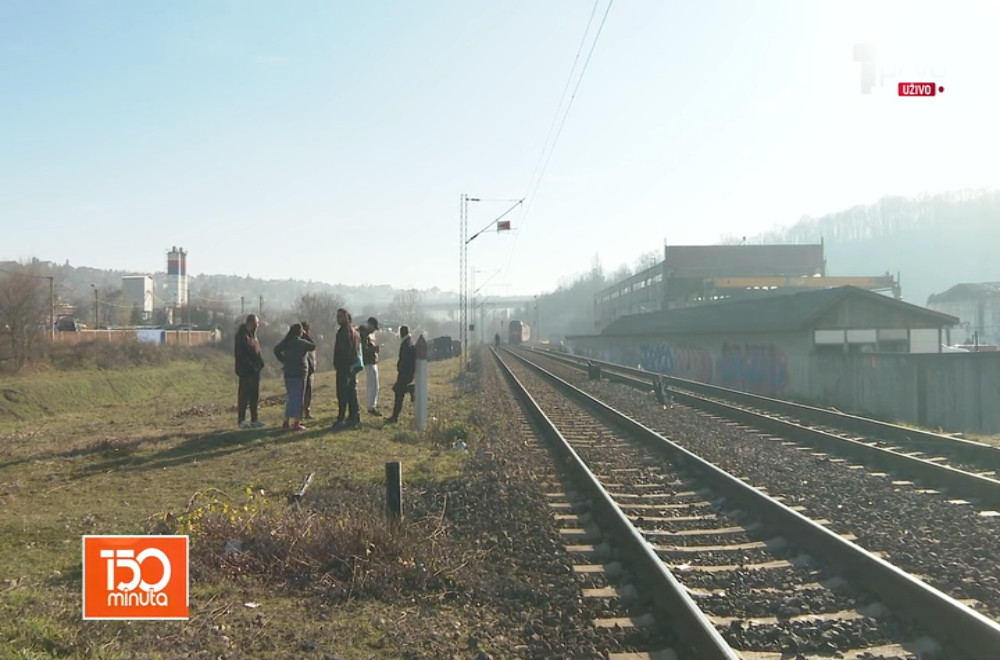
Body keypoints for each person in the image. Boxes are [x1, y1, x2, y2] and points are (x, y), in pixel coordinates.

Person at [273, 323, 316, 432]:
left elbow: (276, 350)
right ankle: (297, 422)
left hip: (288, 373)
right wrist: (306, 335)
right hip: (300, 373)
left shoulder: (286, 342)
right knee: (299, 398)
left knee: (290, 397)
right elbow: (313, 346)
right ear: (300, 332)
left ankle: (286, 421)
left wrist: (284, 360)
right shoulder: (301, 343)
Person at [332, 308, 362, 430]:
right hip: (350, 366)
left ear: (345, 317)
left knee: (343, 393)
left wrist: (341, 364)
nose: (337, 319)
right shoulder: (353, 330)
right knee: (351, 392)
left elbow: (345, 350)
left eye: (339, 316)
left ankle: (341, 419)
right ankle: (354, 417)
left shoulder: (345, 331)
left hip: (344, 366)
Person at [234, 314, 266, 428]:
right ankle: (242, 420)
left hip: (255, 371)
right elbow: (241, 354)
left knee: (254, 396)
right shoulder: (241, 336)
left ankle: (254, 419)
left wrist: (260, 362)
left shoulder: (253, 336)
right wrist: (251, 366)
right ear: (251, 323)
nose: (257, 326)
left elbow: (257, 350)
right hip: (246, 371)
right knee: (244, 396)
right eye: (257, 323)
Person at [385, 325, 416, 424]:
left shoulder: (406, 343)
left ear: (402, 332)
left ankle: (411, 388)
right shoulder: (410, 341)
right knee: (399, 393)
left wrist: (401, 368)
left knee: (398, 391)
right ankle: (394, 417)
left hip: (405, 373)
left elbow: (405, 360)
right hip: (407, 372)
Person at [358, 316, 381, 416]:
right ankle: (371, 406)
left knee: (374, 384)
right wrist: (374, 349)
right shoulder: (364, 334)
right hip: (369, 361)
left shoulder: (365, 333)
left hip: (371, 361)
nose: (374, 330)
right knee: (373, 385)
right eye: (374, 328)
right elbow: (364, 349)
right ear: (370, 325)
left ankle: (372, 405)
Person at [301, 321, 316, 420]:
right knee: (303, 391)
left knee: (308, 391)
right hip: (303, 369)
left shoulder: (307, 340)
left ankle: (307, 410)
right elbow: (313, 345)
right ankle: (302, 412)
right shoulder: (301, 341)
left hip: (310, 369)